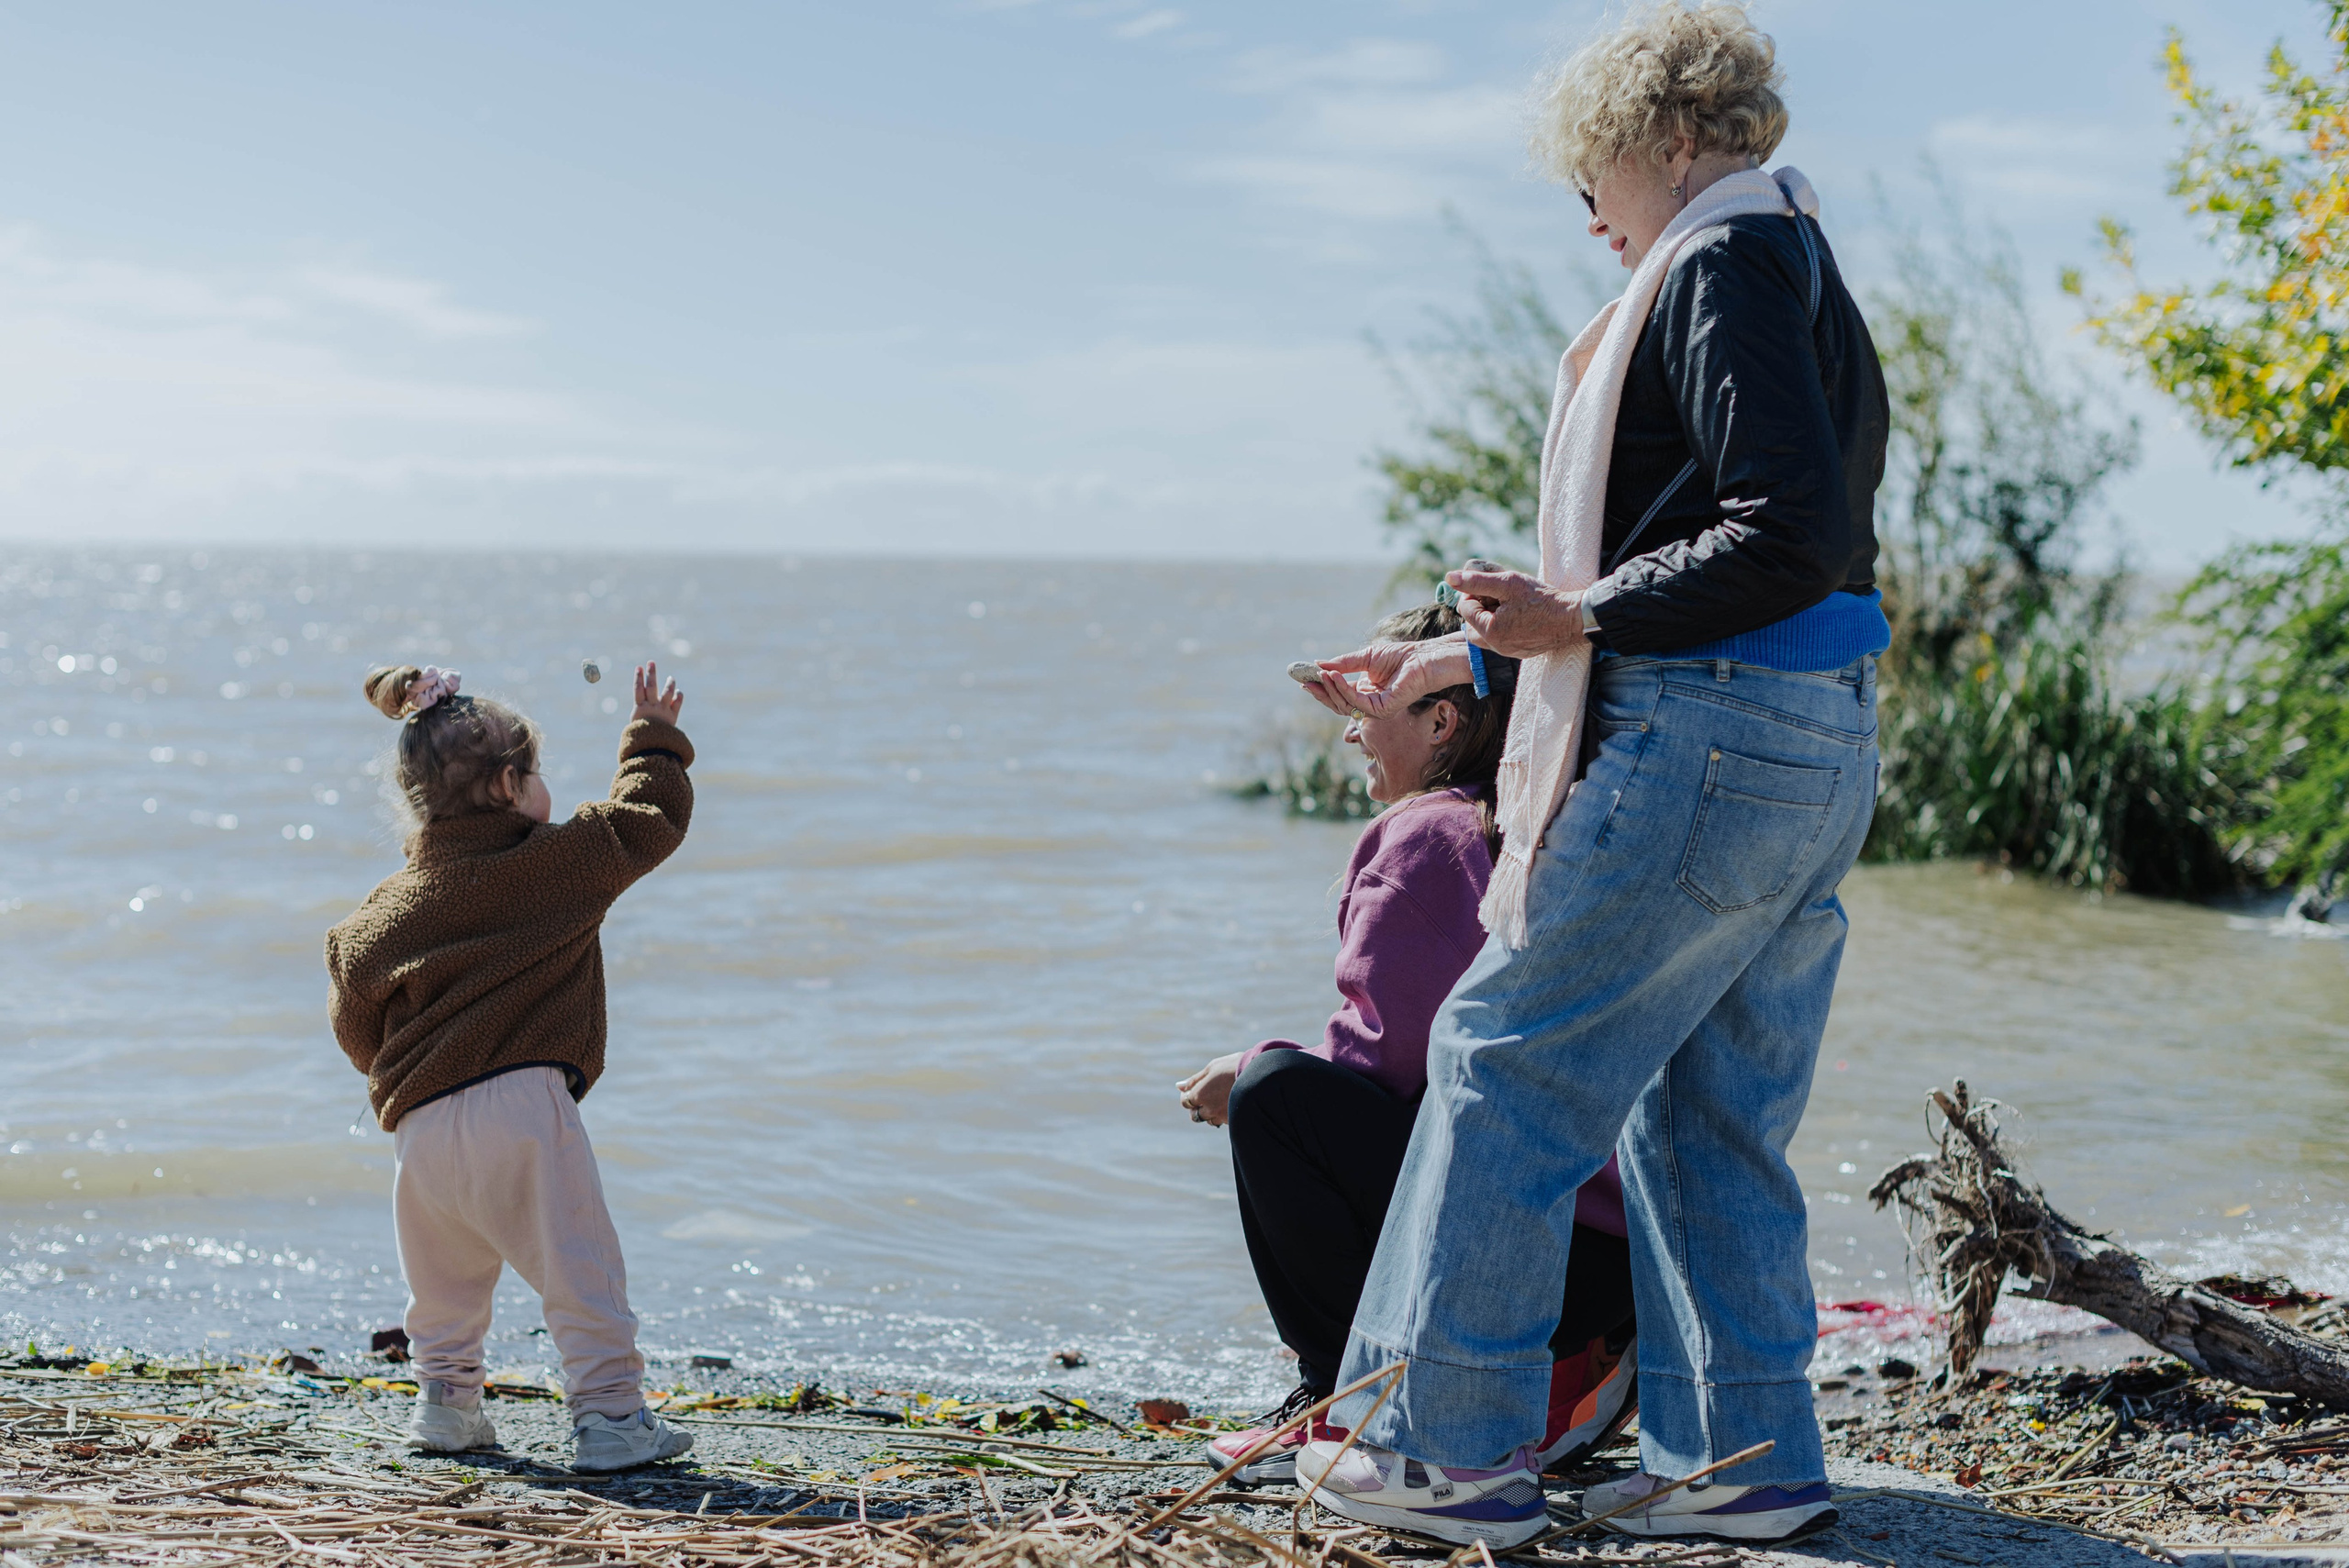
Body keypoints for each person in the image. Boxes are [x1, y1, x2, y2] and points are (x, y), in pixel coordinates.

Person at [1295, 3, 1889, 1548]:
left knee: (1504, 1053)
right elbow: (1747, 546)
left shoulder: (1714, 263)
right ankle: (1739, 1461)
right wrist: (1459, 667)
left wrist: (1581, 616)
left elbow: (1782, 528)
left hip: (1714, 735)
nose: (1583, 203)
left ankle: (1453, 1450)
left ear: (1675, 139)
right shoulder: (1797, 259)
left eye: (1594, 164)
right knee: (1707, 1109)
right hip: (1812, 734)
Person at [1176, 604, 1637, 1485]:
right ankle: (1559, 1371)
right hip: (1608, 1255)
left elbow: (1375, 1068)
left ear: (1441, 719)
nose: (1351, 734)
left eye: (1370, 709)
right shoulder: (1537, 824)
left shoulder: (1426, 837)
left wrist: (1246, 1071)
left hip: (1540, 1254)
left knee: (1277, 1100)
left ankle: (1340, 1403)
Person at [325, 660, 700, 1473]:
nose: (544, 787)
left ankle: (447, 1407)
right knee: (579, 1268)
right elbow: (649, 817)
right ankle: (610, 1417)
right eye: (535, 772)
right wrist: (652, 740)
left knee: (444, 1288)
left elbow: (355, 1012)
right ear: (506, 785)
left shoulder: (380, 913)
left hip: (421, 1131)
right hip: (524, 1108)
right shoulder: (559, 864)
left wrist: (401, 1074)